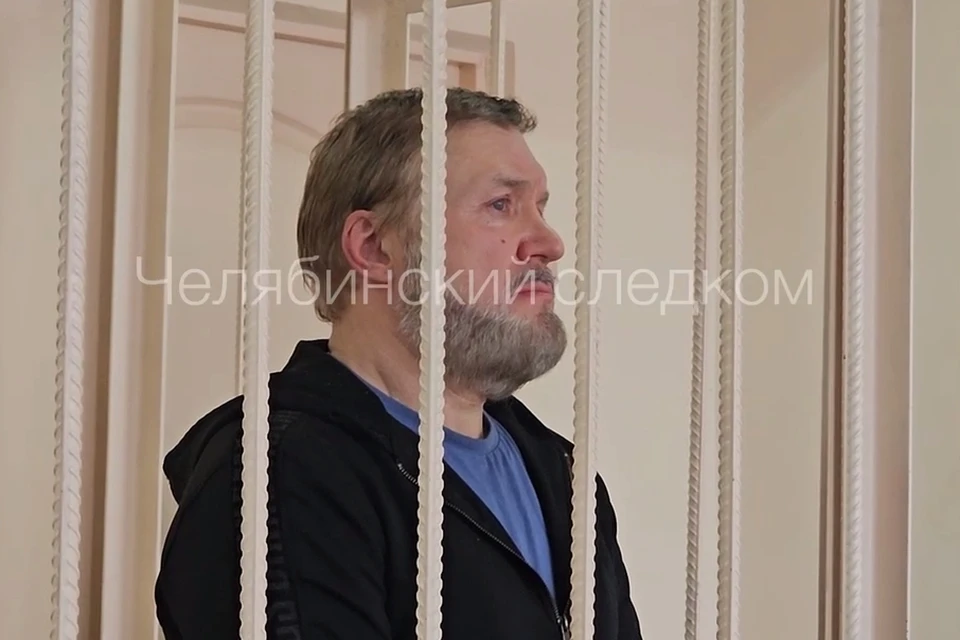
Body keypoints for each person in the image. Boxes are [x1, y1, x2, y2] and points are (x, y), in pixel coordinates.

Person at [155, 87, 642, 640]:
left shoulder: (563, 474)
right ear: (374, 247)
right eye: (501, 205)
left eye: (541, 206)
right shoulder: (277, 473)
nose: (549, 243)